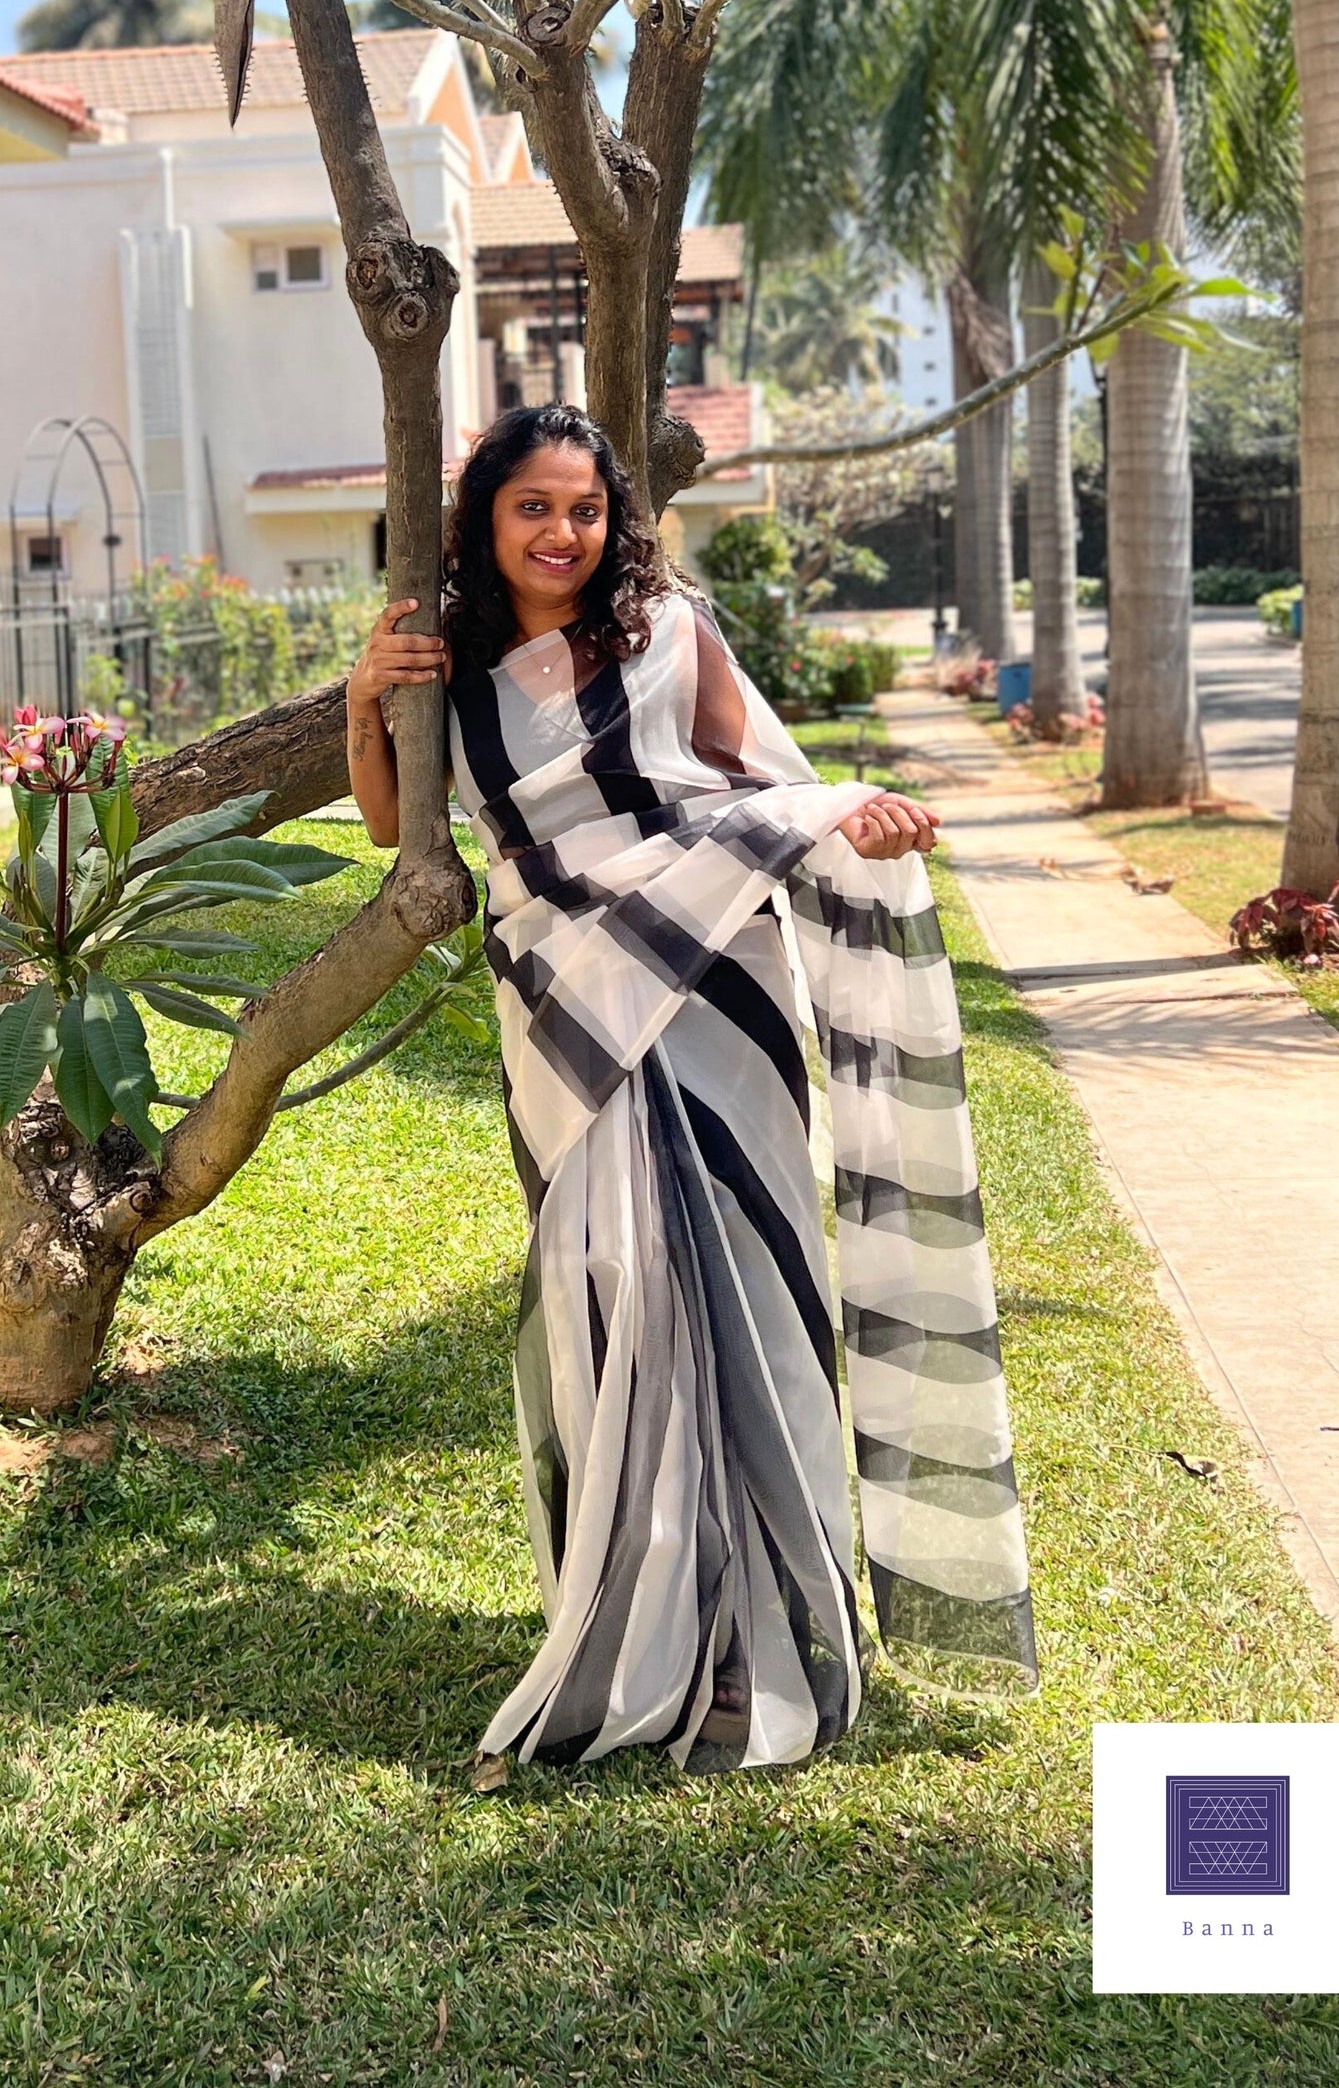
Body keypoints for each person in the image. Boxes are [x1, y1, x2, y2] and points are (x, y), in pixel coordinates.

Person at [347, 403, 1035, 1776]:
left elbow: (766, 791)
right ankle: (637, 1610)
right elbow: (390, 829)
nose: (562, 532)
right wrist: (368, 696)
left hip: (713, 988)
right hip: (559, 1007)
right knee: (609, 1288)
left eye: (586, 509)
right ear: (486, 520)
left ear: (617, 522)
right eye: (533, 507)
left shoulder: (672, 636)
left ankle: (760, 1628)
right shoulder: (450, 675)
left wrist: (855, 815)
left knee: (740, 1291)